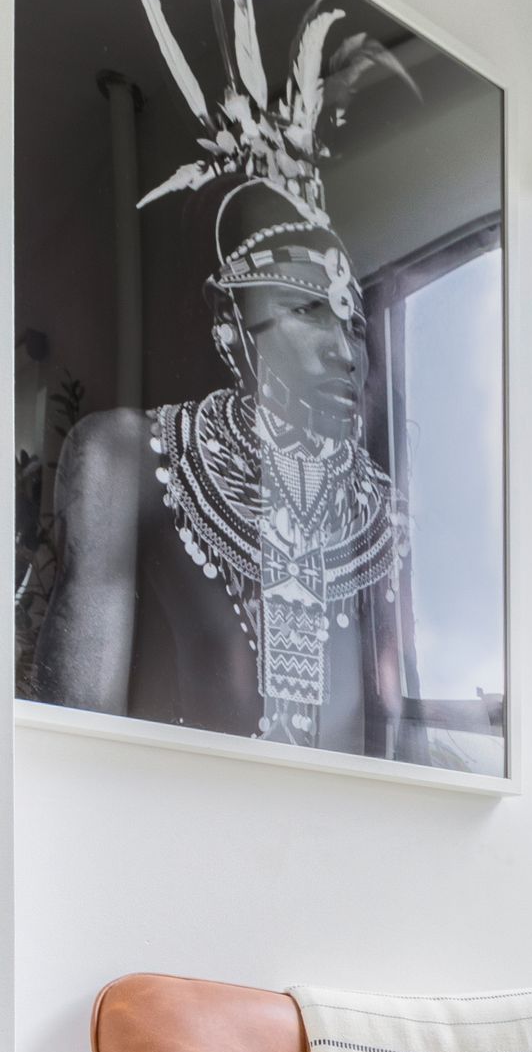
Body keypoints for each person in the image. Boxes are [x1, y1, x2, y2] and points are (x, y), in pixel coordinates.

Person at [34, 180, 409, 752]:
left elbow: (399, 743)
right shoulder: (128, 454)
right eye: (308, 307)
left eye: (354, 325)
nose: (346, 352)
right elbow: (78, 748)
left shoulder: (379, 516)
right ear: (229, 314)